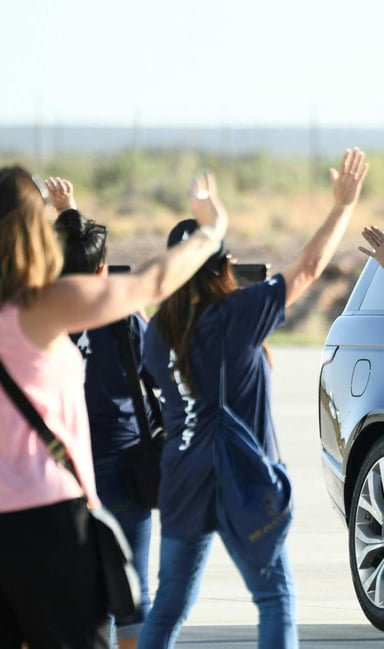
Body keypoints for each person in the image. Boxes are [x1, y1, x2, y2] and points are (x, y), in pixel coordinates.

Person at [138, 148, 368, 649]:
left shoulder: (156, 333)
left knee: (170, 604)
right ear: (220, 264)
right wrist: (342, 205)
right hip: (240, 477)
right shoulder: (238, 314)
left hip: (182, 475)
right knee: (274, 599)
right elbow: (307, 268)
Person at [0, 165, 228, 649]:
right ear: (34, 233)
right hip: (50, 517)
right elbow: (149, 282)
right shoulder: (47, 307)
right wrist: (210, 231)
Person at [51, 177, 157, 649]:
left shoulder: (40, 319)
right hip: (125, 461)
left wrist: (68, 215)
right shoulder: (125, 316)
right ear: (103, 271)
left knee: (67, 590)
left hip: (62, 466)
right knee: (133, 590)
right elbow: (160, 368)